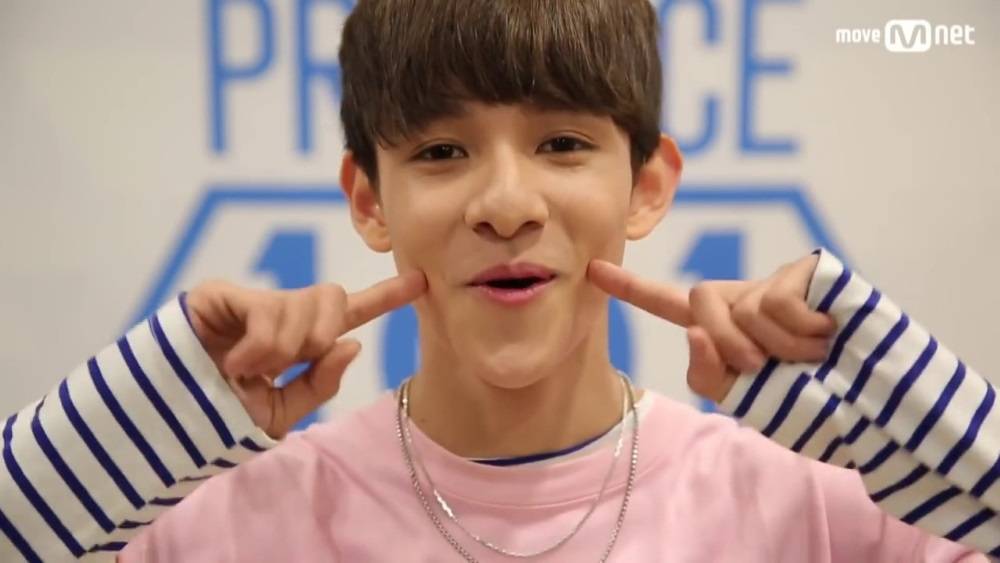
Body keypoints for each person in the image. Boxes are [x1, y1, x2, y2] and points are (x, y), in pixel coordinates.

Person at [2, 0, 997, 560]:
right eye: (441, 152)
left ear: (647, 185)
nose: (506, 204)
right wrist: (163, 397)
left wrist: (873, 368)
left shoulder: (825, 511)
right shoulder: (223, 528)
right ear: (369, 199)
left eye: (562, 142)